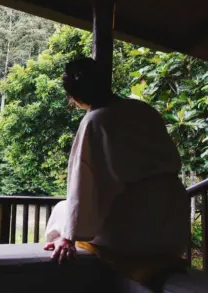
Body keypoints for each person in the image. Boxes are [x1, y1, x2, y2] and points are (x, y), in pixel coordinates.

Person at [44, 58, 189, 287]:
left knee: (62, 210)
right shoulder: (144, 110)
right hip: (174, 228)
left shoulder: (95, 120)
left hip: (135, 237)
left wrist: (68, 236)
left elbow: (82, 183)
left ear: (76, 98)